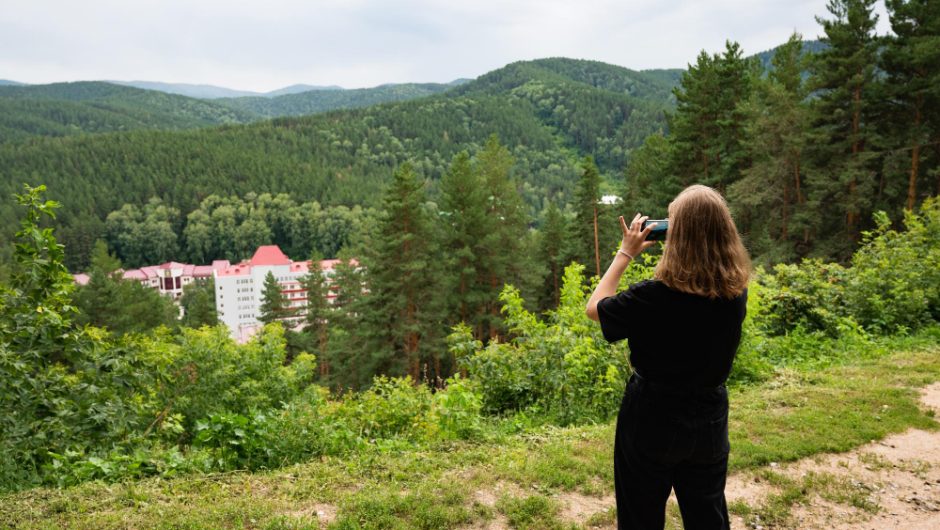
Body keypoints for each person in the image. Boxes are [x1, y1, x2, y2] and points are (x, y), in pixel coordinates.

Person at [585, 184, 751, 530]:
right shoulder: (736, 292)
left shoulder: (652, 297)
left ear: (677, 238)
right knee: (708, 516)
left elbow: (595, 308)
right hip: (709, 417)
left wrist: (625, 253)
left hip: (651, 416)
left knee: (640, 516)